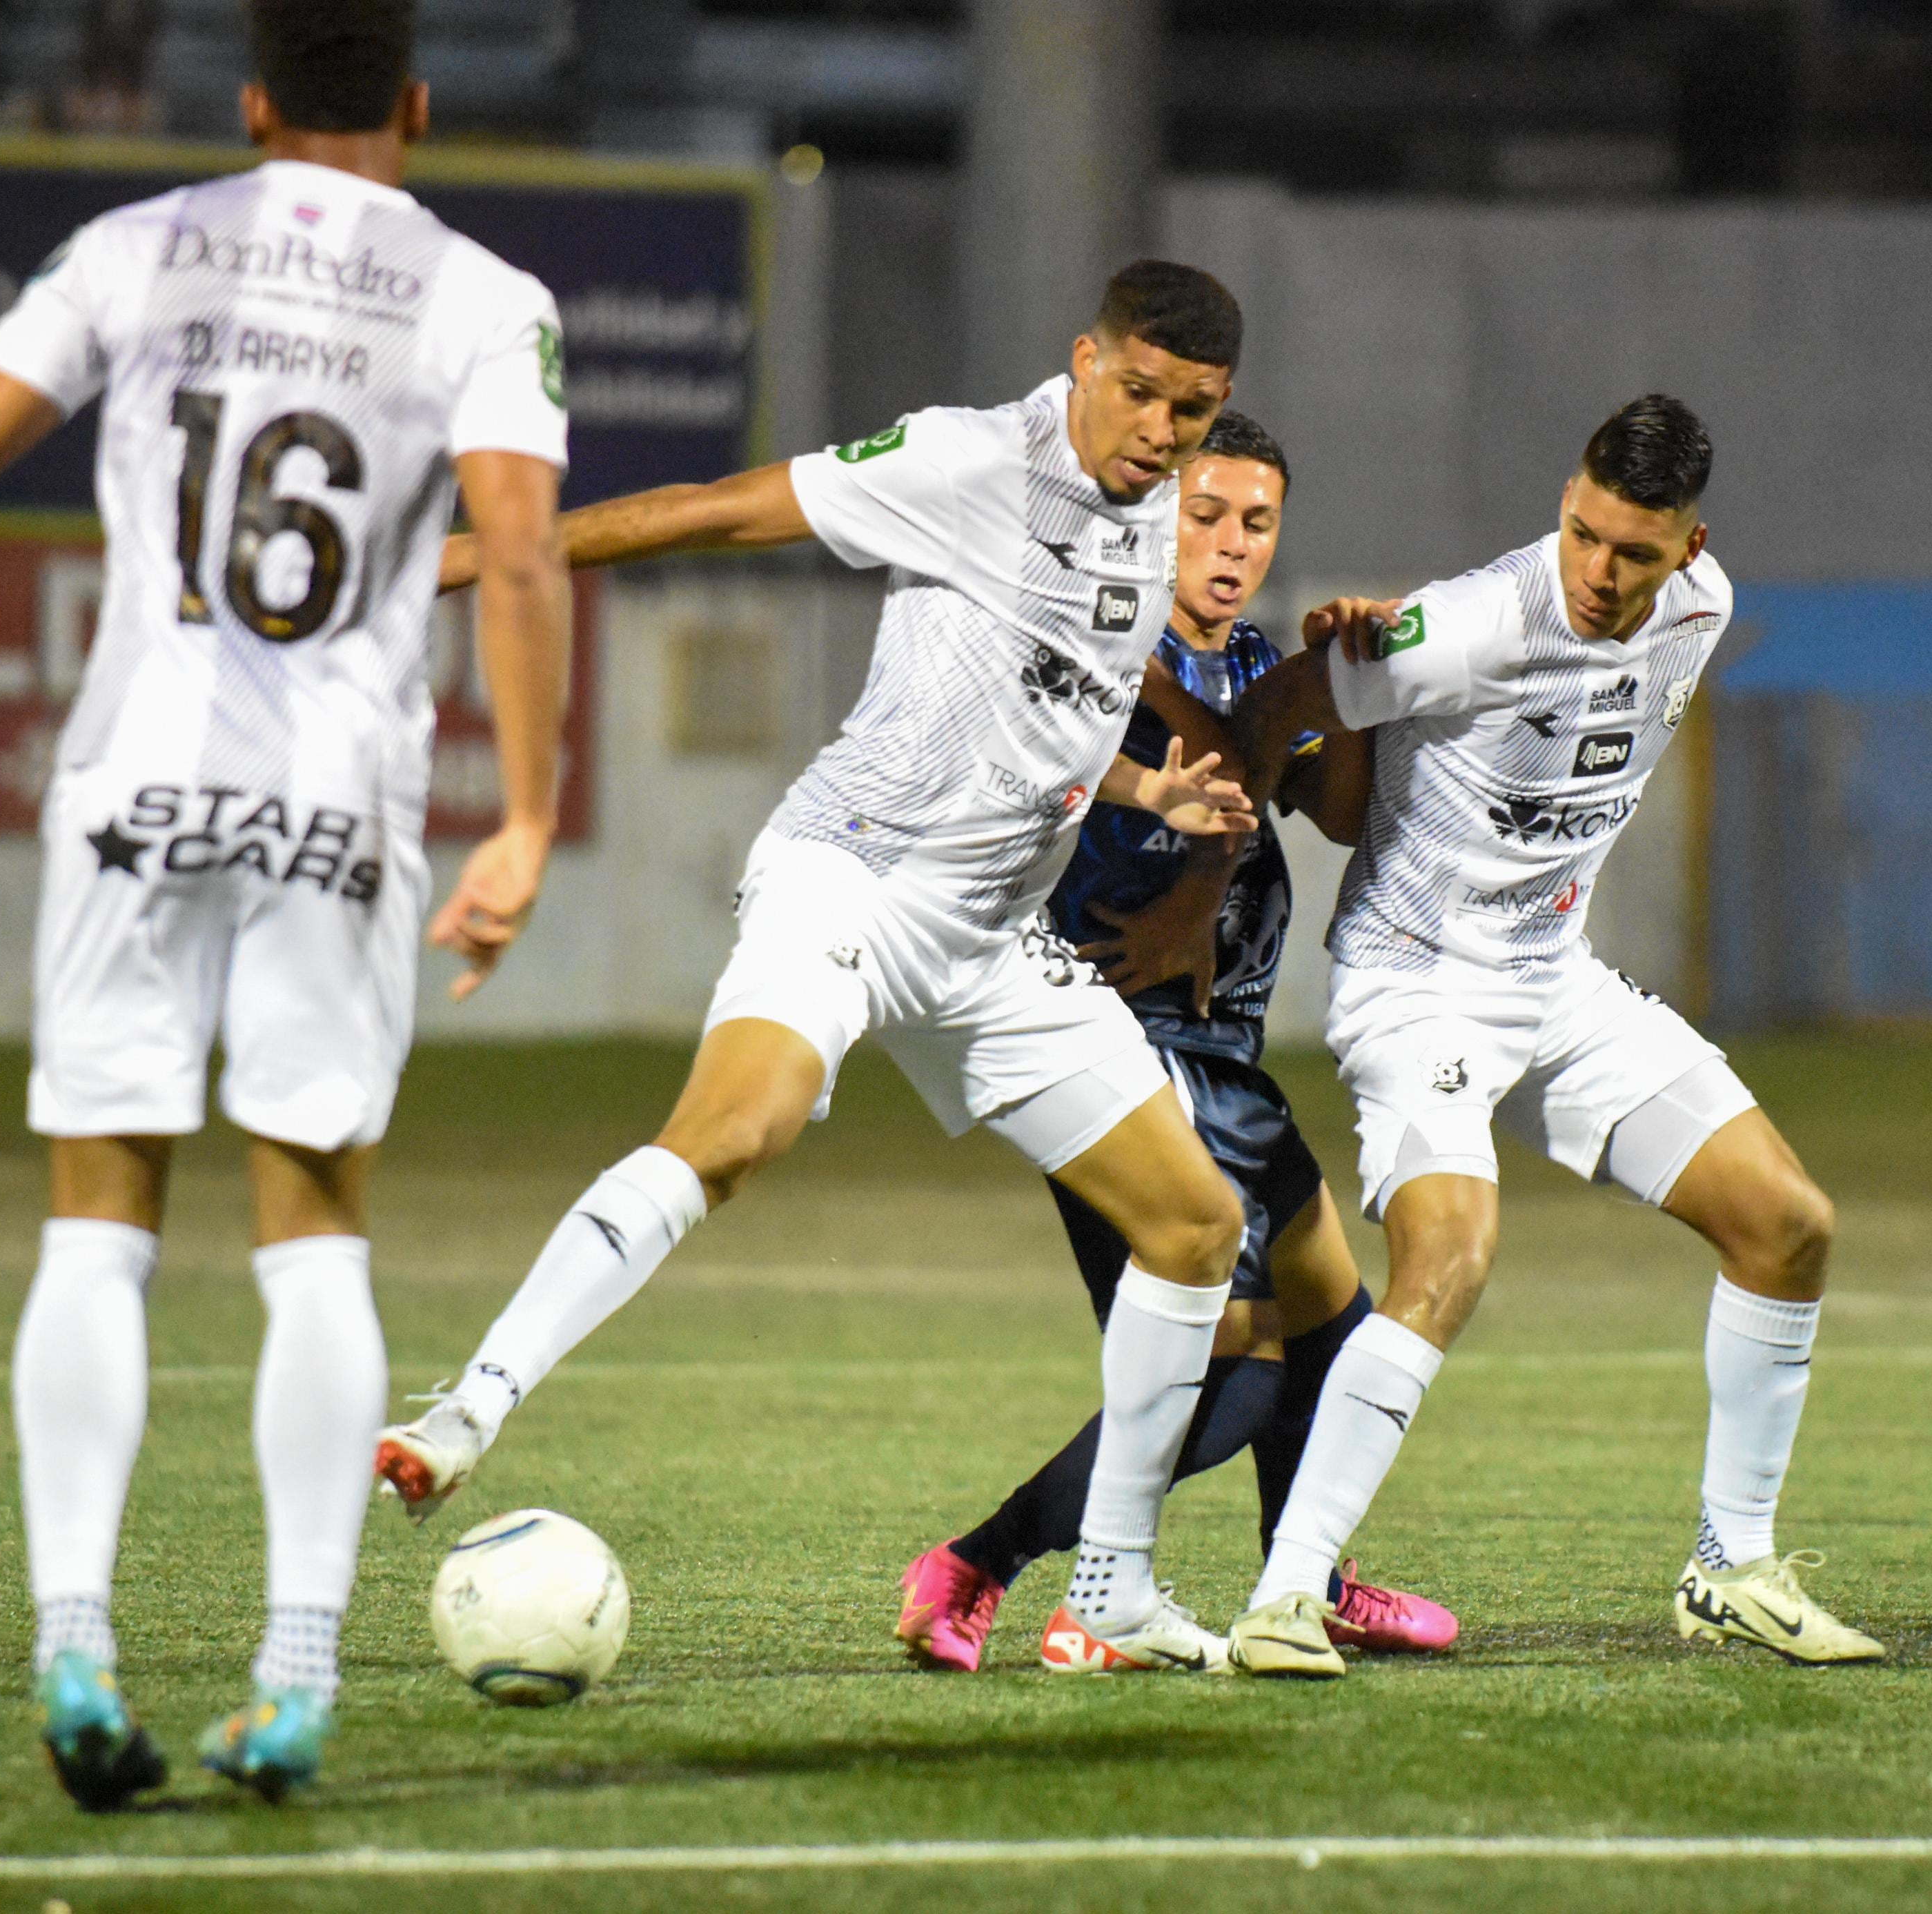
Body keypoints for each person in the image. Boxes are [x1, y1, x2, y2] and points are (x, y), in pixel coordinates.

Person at [0, 0, 574, 1805]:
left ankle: (75, 1641)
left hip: (132, 775)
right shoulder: (487, 297)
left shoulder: (136, 246)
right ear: (413, 101)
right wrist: (532, 813)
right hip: (337, 798)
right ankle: (297, 1676)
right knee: (311, 1228)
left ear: (251, 103)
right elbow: (527, 548)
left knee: (97, 1218)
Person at [374, 261, 1266, 1676]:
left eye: (1192, 410)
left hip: (992, 941)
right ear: (1085, 359)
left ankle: (1110, 1588)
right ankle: (467, 1409)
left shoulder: (1157, 507)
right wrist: (479, 559)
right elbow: (715, 512)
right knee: (738, 1131)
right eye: (1141, 394)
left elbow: (1050, 698)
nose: (1160, 432)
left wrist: (1147, 793)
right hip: (857, 874)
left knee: (1197, 1229)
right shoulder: (965, 460)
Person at [1205, 394, 1884, 1680]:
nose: (1598, 571)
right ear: (1563, 503)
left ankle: (1729, 1565)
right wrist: (1205, 805)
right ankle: (1288, 1594)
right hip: (1415, 984)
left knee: (1790, 1222)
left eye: (1634, 549)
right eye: (1581, 532)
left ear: (1690, 545)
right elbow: (1286, 705)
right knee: (1453, 1252)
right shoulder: (1467, 623)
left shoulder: (1705, 609)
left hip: (1552, 983)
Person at [894, 410, 1457, 1672]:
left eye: (1256, 521)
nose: (1229, 542)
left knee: (1332, 1321)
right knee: (1225, 1374)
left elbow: (1344, 810)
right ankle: (982, 1563)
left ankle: (1297, 1577)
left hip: (1226, 1052)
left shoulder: (1251, 658)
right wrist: (1285, 703)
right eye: (1204, 512)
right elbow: (1185, 757)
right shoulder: (1100, 646)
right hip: (1120, 1048)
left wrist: (1344, 682)